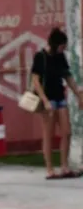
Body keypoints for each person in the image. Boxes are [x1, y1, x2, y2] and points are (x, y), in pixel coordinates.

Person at [31, 28, 83, 180]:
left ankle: (64, 166)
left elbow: (68, 77)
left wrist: (78, 94)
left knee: (66, 132)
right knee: (48, 134)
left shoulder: (61, 57)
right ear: (55, 44)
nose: (63, 49)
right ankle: (49, 169)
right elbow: (35, 80)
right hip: (48, 98)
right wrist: (45, 100)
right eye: (61, 46)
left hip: (60, 97)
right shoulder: (41, 57)